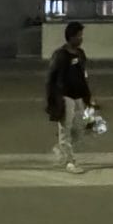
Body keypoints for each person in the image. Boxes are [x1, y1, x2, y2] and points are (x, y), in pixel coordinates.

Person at [46, 19, 95, 174]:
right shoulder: (60, 55)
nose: (81, 38)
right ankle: (70, 161)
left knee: (80, 129)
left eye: (81, 35)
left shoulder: (80, 54)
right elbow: (51, 79)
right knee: (65, 130)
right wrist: (52, 101)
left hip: (78, 97)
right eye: (79, 35)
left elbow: (83, 76)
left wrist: (88, 98)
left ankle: (61, 148)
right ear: (71, 37)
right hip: (64, 96)